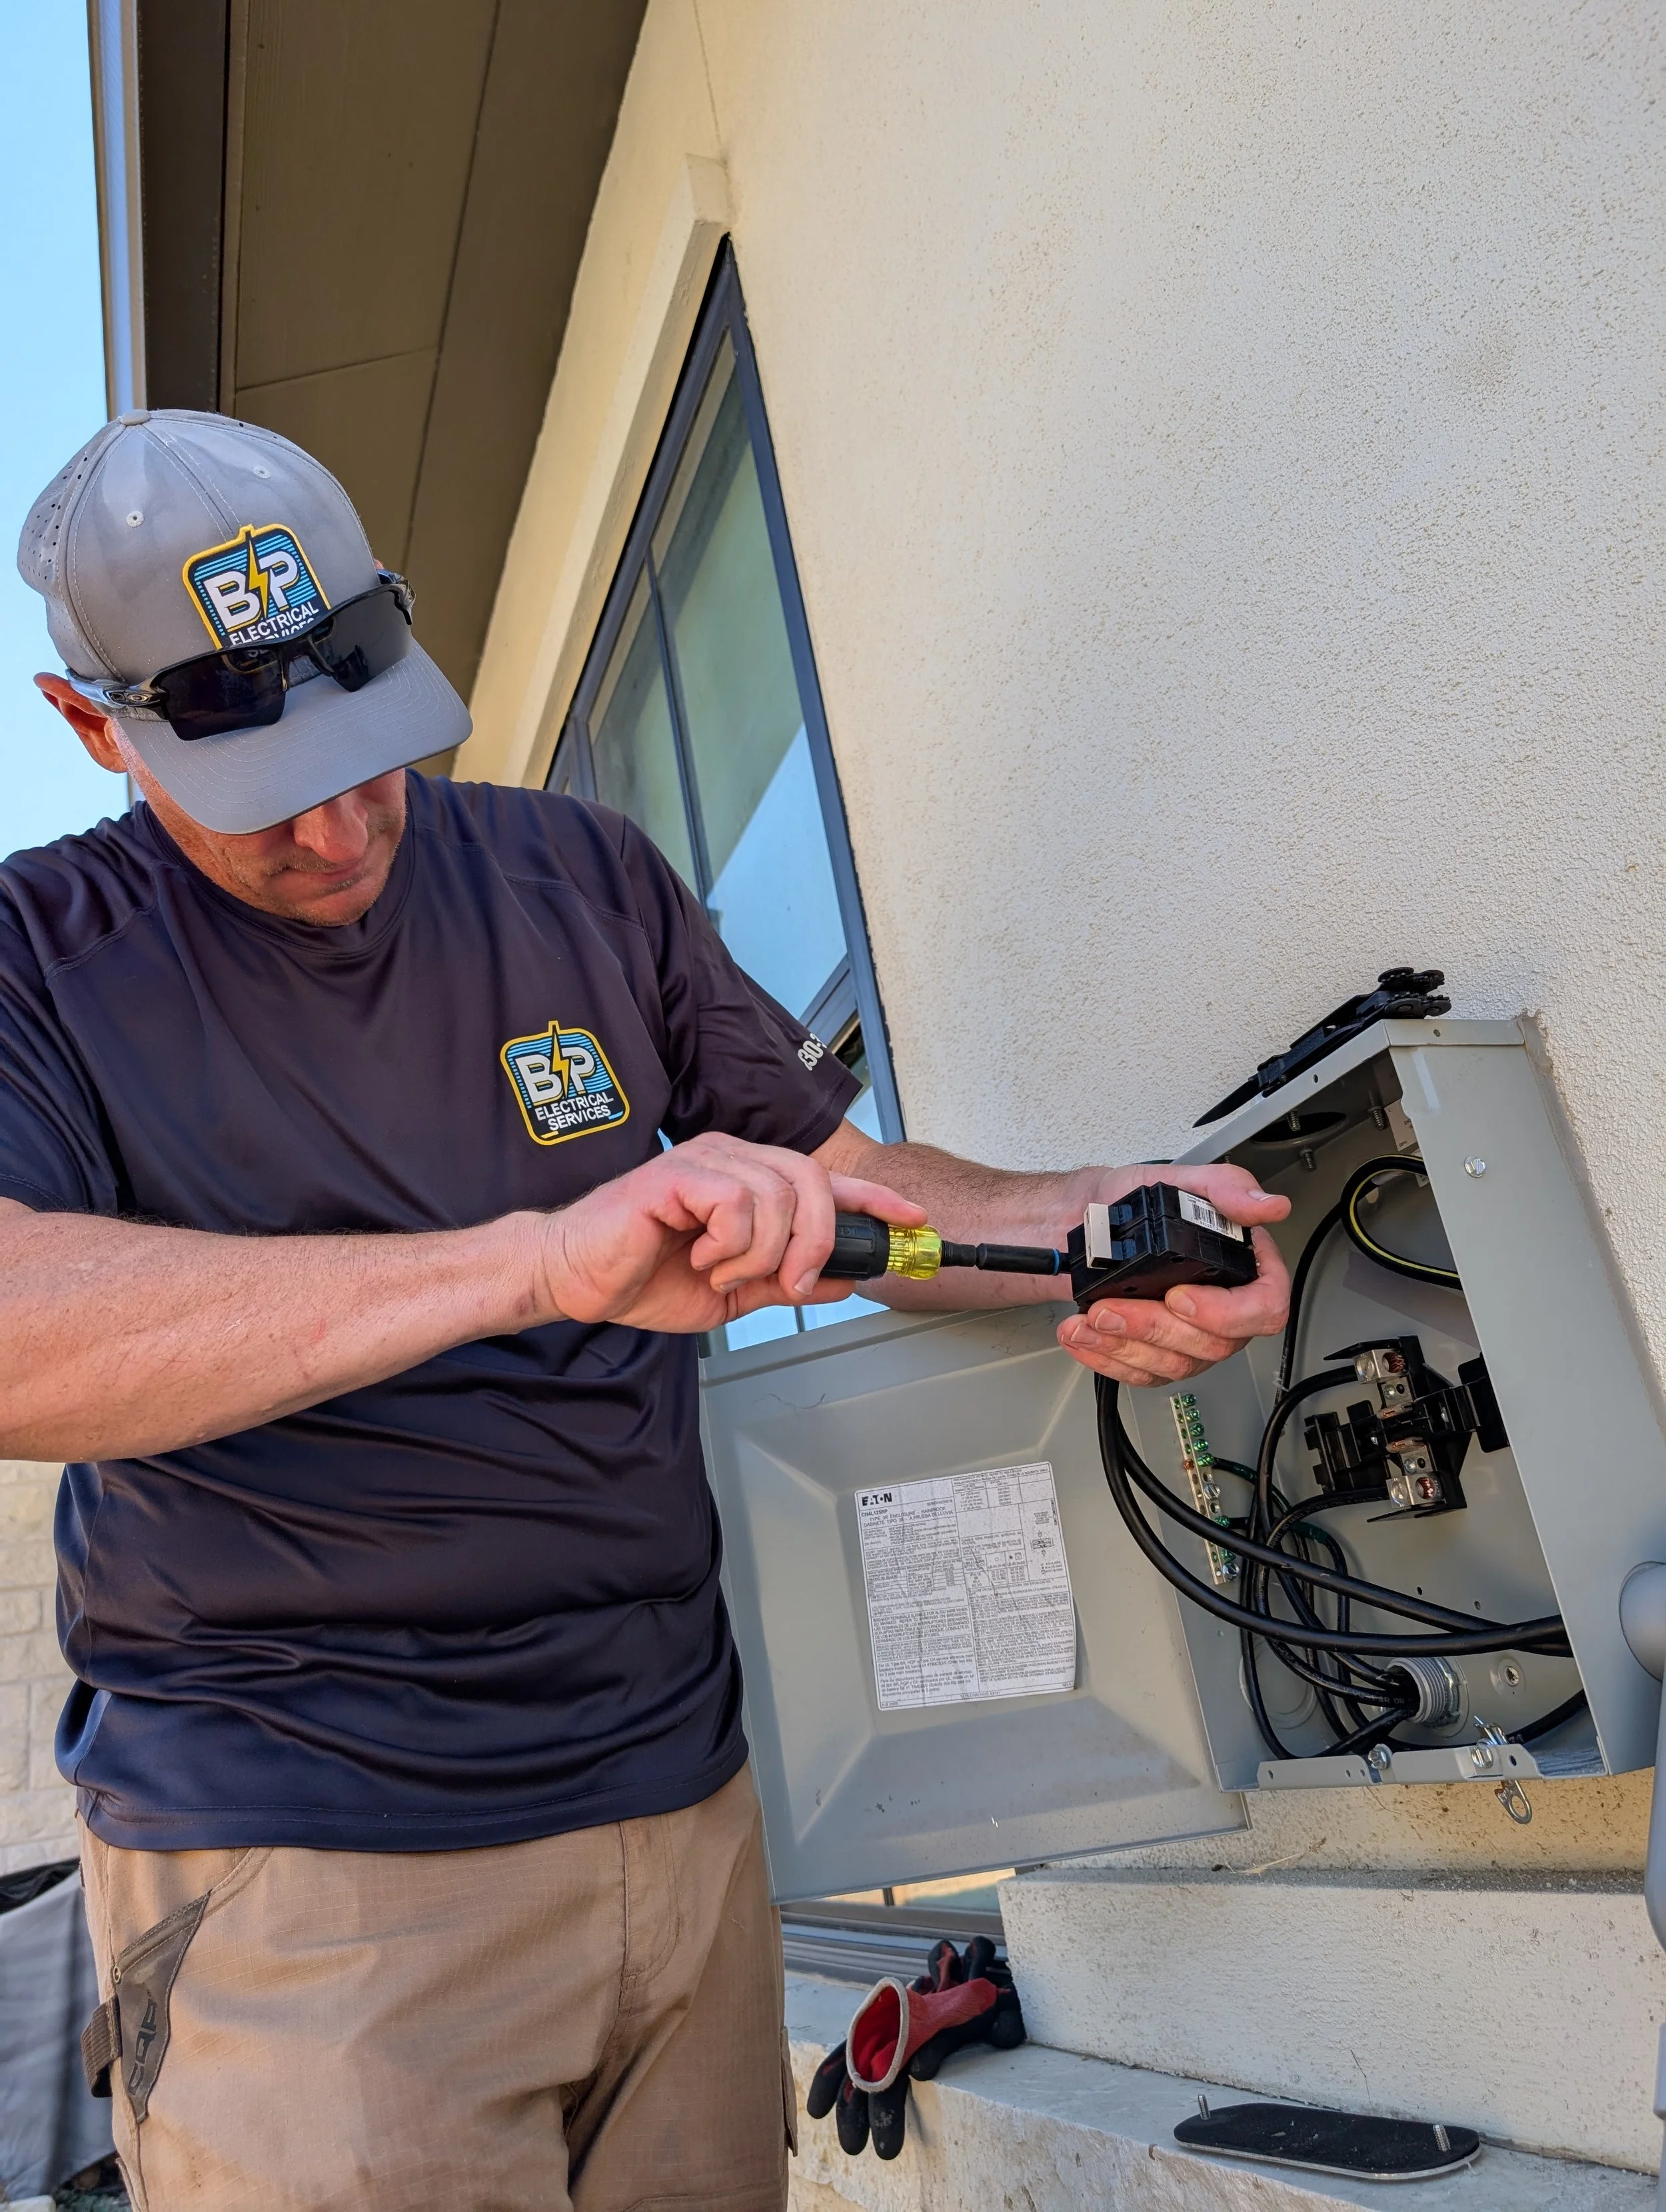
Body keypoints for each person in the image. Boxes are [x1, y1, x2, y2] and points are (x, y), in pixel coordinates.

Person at [0, 409, 1291, 2212]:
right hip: (302, 1852)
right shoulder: (41, 961)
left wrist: (1100, 1234)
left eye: (365, 742)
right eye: (254, 772)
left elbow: (864, 1190)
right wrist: (534, 1258)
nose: (338, 818)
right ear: (91, 725)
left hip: (684, 1808)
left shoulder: (576, 875)